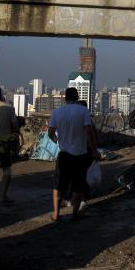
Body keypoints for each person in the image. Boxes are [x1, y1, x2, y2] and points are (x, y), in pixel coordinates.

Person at [47, 87, 100, 220]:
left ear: (65, 98)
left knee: (59, 185)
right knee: (78, 185)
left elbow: (50, 133)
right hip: (80, 154)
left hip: (64, 154)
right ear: (77, 98)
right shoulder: (83, 111)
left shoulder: (56, 112)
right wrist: (94, 150)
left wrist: (57, 141)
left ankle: (55, 214)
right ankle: (75, 214)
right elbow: (89, 132)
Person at [0, 87, 22, 206]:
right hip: (5, 145)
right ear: (1, 94)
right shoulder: (8, 108)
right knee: (7, 170)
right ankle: (3, 195)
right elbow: (15, 127)